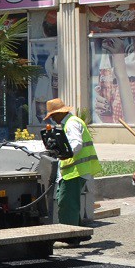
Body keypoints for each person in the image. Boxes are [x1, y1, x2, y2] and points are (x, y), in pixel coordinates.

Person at [44, 97, 99, 226]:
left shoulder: (71, 123)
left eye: (52, 115)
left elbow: (76, 144)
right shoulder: (69, 123)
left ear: (59, 113)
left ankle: (70, 236)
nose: (52, 119)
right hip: (73, 171)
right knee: (70, 203)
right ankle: (79, 233)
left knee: (67, 203)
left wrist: (64, 155)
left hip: (75, 171)